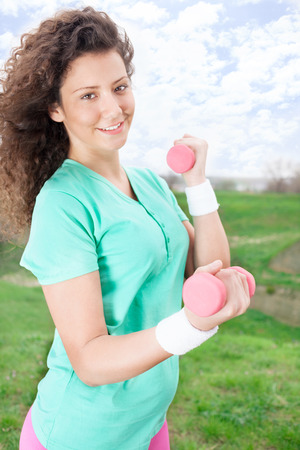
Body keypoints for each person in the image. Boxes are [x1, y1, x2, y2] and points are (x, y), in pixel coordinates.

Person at [0, 7, 250, 450]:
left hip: (150, 422)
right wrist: (189, 326)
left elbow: (208, 271)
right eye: (88, 95)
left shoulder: (150, 183)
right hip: (84, 434)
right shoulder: (63, 203)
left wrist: (197, 183)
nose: (114, 108)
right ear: (56, 108)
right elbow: (91, 360)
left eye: (119, 87)